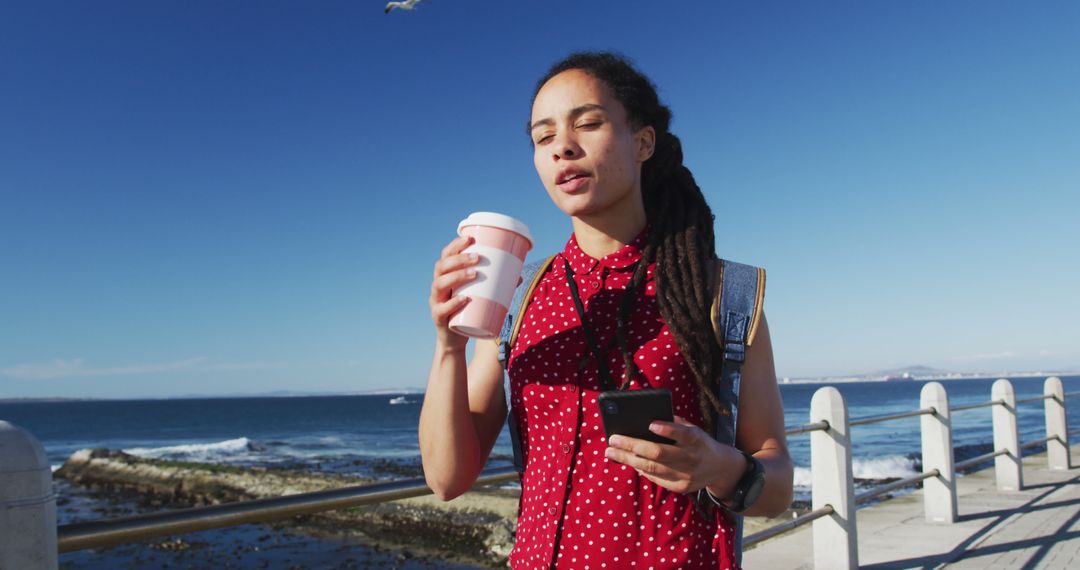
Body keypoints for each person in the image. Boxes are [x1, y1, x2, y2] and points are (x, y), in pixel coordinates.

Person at [420, 51, 793, 569]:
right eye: (543, 137)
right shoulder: (519, 297)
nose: (562, 148)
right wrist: (447, 344)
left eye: (588, 123)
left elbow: (778, 488)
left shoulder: (717, 290)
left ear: (643, 142)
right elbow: (447, 478)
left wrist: (722, 468)